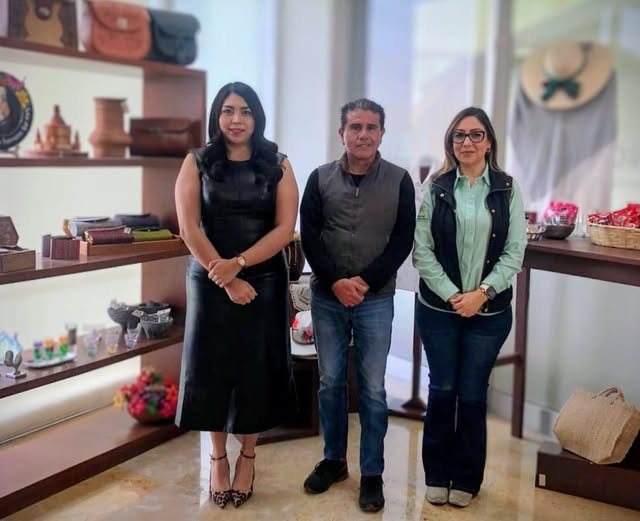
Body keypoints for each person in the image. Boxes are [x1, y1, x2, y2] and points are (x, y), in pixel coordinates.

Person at [174, 81, 299, 509]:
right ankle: (217, 458)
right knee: (212, 368)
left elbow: (284, 230)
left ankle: (248, 456)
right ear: (217, 116)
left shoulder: (278, 163)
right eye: (228, 110)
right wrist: (225, 277)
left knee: (254, 370)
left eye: (245, 111)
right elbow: (189, 228)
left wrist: (240, 265)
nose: (237, 119)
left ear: (256, 117)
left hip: (263, 279)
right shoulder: (197, 161)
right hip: (209, 280)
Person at [300, 98, 415, 513]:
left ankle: (371, 473)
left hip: (375, 300)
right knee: (331, 382)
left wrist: (363, 283)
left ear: (382, 133)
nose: (363, 134)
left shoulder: (400, 180)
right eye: (355, 127)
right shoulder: (319, 178)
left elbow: (402, 240)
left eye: (370, 127)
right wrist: (336, 282)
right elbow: (310, 236)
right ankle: (334, 461)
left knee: (373, 388)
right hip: (327, 298)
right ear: (342, 133)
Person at [413, 107, 527, 508]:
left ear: (489, 142)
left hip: (489, 313)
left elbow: (514, 252)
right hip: (438, 309)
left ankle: (465, 478)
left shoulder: (507, 189)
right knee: (443, 389)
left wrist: (482, 293)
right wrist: (452, 295)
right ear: (451, 143)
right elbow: (422, 251)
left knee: (473, 393)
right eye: (459, 135)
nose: (467, 142)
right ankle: (436, 474)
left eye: (476, 134)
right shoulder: (436, 187)